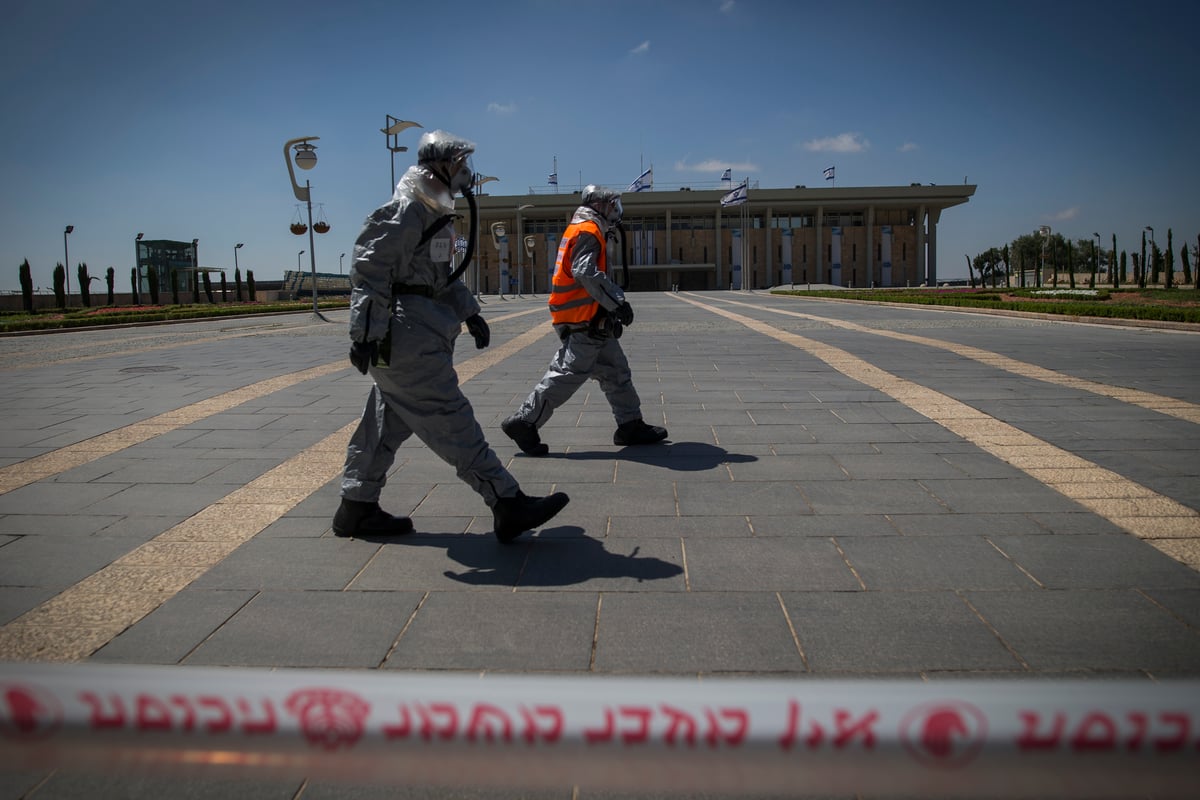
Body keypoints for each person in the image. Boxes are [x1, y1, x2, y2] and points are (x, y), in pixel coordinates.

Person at [334, 130, 569, 543]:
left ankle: (356, 507)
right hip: (405, 336)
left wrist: (470, 312)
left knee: (385, 423)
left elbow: (439, 276)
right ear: (439, 166)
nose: (466, 176)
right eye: (460, 166)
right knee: (450, 417)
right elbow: (370, 271)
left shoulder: (432, 214)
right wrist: (365, 334)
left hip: (417, 330)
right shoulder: (405, 209)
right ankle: (506, 501)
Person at [501, 185, 667, 456]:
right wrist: (618, 302)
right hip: (584, 320)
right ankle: (525, 421)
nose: (616, 212)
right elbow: (585, 272)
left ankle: (630, 425)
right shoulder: (588, 231)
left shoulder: (582, 228)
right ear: (601, 206)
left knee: (615, 372)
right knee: (567, 374)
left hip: (589, 319)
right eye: (614, 206)